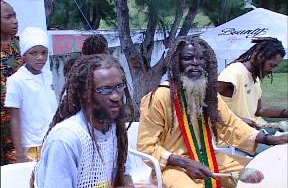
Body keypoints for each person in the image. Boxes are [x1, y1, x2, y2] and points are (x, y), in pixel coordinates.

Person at [137, 36, 288, 188]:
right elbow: (146, 147)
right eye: (188, 58)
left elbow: (230, 124)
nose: (195, 63)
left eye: (201, 59)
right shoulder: (158, 97)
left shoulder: (209, 93)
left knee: (260, 174)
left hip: (208, 157)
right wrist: (185, 162)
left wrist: (269, 139)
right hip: (172, 166)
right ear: (176, 62)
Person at [33, 54, 134, 188]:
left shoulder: (116, 129)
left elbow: (124, 177)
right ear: (85, 93)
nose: (115, 96)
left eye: (119, 87)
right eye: (105, 89)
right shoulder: (66, 139)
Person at [4, 27, 57, 162]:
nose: (40, 57)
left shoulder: (49, 75)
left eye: (44, 52)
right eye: (33, 53)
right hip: (32, 146)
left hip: (54, 139)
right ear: (24, 55)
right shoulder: (16, 81)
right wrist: (20, 152)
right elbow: (14, 118)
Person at [217, 37, 287, 131]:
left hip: (254, 132)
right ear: (260, 57)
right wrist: (238, 120)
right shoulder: (234, 72)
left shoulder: (255, 77)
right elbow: (205, 105)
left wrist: (285, 113)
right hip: (233, 138)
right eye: (272, 65)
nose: (272, 70)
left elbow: (259, 111)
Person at [0, 0, 23, 165]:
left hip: (18, 118)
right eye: (8, 17)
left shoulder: (22, 45)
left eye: (14, 16)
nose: (15, 20)